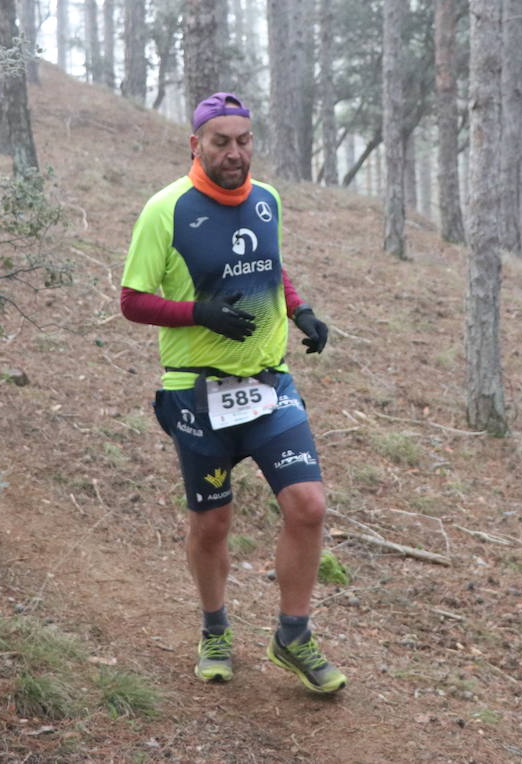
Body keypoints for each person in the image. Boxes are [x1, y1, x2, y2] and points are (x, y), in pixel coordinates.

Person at [119, 92, 344, 693]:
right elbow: (132, 301)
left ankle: (292, 635)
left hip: (270, 385)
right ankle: (215, 628)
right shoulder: (164, 210)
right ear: (197, 145)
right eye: (221, 142)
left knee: (308, 506)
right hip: (196, 394)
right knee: (212, 524)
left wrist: (302, 312)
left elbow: (271, 266)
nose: (235, 153)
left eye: (243, 141)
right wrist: (200, 313)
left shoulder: (267, 200)